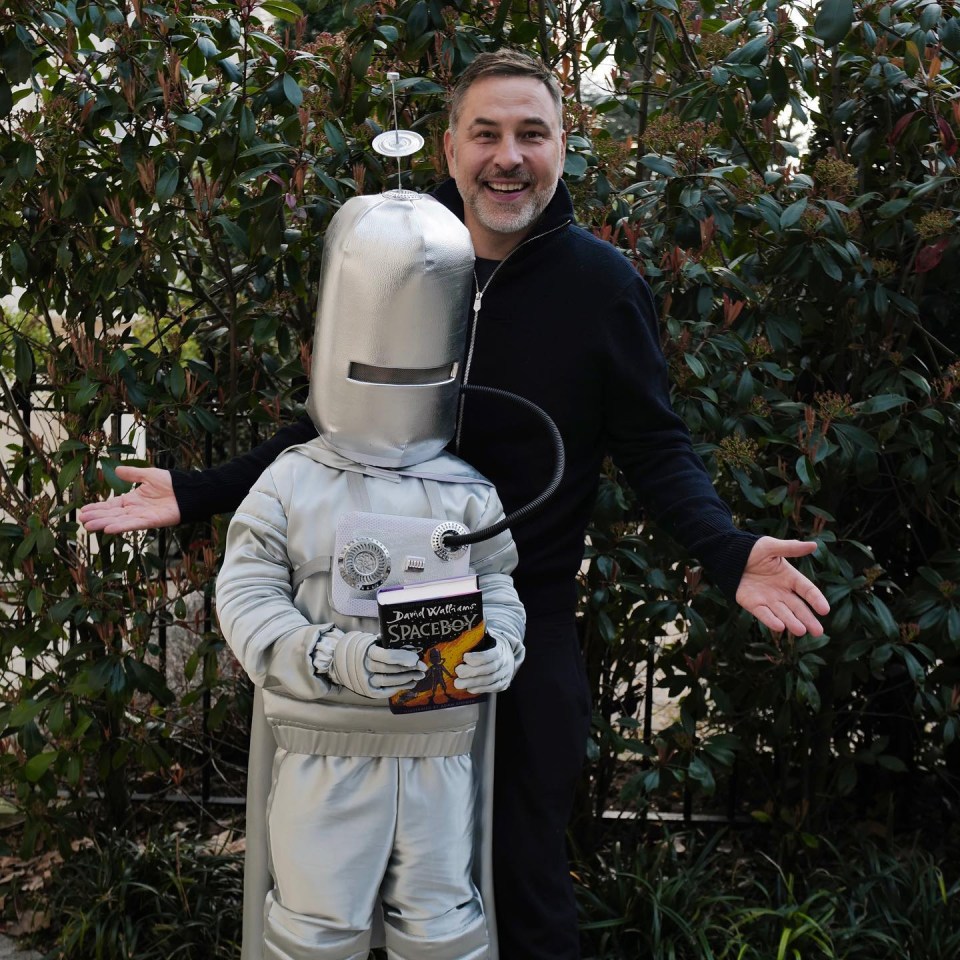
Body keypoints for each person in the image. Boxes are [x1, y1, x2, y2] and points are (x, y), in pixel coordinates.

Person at [80, 49, 830, 960]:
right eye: (487, 133)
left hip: (517, 627)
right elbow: (338, 430)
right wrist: (200, 492)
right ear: (448, 146)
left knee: (519, 878)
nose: (507, 156)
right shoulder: (403, 264)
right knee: (346, 892)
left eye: (531, 133)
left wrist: (727, 548)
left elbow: (656, 447)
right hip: (361, 633)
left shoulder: (600, 288)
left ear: (563, 148)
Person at [216, 188, 525, 960]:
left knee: (444, 929)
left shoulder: (466, 489)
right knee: (315, 931)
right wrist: (330, 656)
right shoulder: (290, 482)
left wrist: (502, 648)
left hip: (439, 750)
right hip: (323, 751)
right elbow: (247, 592)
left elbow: (497, 586)